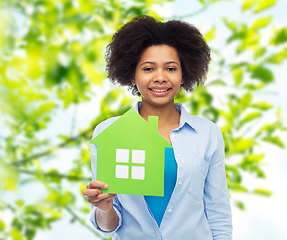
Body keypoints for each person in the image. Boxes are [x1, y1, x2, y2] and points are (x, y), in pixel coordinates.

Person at [83, 15, 232, 240]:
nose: (160, 77)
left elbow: (217, 212)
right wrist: (104, 208)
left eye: (171, 69)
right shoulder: (109, 133)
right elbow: (110, 225)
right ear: (132, 75)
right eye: (148, 68)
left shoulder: (207, 134)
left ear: (184, 74)